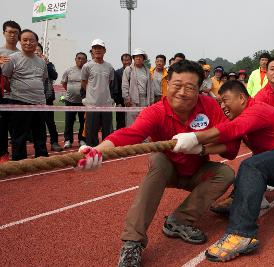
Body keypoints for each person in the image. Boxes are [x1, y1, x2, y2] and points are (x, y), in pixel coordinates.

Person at [76, 60, 239, 267]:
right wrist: (97, 151)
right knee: (158, 158)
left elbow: (232, 147)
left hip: (197, 170)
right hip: (168, 168)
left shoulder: (209, 106)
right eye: (177, 85)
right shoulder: (156, 111)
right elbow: (129, 134)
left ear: (200, 90)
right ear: (167, 84)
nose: (182, 92)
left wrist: (201, 147)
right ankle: (132, 242)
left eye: (190, 87)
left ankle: (178, 220)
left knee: (225, 173)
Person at [172, 80, 274, 262]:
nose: (222, 106)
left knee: (252, 165)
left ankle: (242, 234)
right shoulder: (242, 118)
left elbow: (231, 129)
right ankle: (239, 200)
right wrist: (201, 149)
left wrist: (194, 137)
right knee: (251, 164)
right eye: (220, 102)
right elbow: (230, 150)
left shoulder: (256, 110)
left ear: (241, 98)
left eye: (225, 100)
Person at [1, 29, 49, 160]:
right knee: (19, 136)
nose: (28, 43)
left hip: (39, 103)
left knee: (40, 134)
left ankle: (42, 158)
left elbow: (43, 79)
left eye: (32, 40)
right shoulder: (12, 59)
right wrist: (15, 92)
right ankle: (19, 160)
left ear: (36, 42)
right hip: (19, 102)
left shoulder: (41, 62)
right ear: (20, 42)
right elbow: (5, 78)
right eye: (25, 40)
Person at [81, 39, 115, 147]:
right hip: (92, 105)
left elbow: (109, 83)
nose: (97, 50)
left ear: (104, 50)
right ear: (92, 51)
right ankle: (92, 151)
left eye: (100, 48)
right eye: (95, 48)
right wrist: (92, 95)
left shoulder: (109, 67)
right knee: (91, 131)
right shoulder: (87, 66)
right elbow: (84, 83)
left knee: (107, 131)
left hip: (106, 104)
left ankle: (106, 151)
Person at [35, 43, 63, 152]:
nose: (36, 52)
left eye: (38, 50)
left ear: (42, 52)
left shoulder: (49, 64)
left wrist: (46, 63)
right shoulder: (28, 63)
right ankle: (37, 143)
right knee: (34, 122)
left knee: (50, 122)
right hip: (32, 97)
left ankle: (54, 142)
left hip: (46, 97)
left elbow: (54, 76)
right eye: (34, 50)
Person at [0, 20, 21, 163]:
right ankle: (3, 155)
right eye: (9, 32)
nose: (12, 35)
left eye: (15, 33)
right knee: (1, 128)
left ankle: (18, 156)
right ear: (3, 33)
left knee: (17, 129)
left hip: (17, 96)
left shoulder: (22, 54)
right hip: (1, 97)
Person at [61, 52, 88, 148]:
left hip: (83, 102)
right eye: (79, 58)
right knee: (69, 121)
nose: (80, 60)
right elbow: (64, 83)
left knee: (83, 122)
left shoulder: (87, 71)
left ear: (86, 61)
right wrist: (71, 91)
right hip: (70, 101)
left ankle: (82, 140)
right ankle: (68, 140)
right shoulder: (69, 71)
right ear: (75, 59)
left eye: (83, 59)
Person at [122, 48, 154, 126]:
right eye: (136, 56)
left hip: (145, 100)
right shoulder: (128, 69)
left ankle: (143, 138)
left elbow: (151, 87)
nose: (138, 58)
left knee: (144, 121)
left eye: (140, 56)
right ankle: (131, 138)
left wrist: (151, 100)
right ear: (133, 58)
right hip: (132, 100)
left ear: (143, 58)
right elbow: (124, 84)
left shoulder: (147, 71)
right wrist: (126, 97)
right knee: (132, 123)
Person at [112, 53, 132, 130]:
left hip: (132, 101)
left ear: (131, 60)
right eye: (125, 60)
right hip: (121, 101)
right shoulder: (117, 73)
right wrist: (118, 102)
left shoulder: (134, 71)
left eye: (128, 60)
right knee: (121, 122)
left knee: (132, 122)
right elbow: (115, 88)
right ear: (122, 61)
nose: (127, 62)